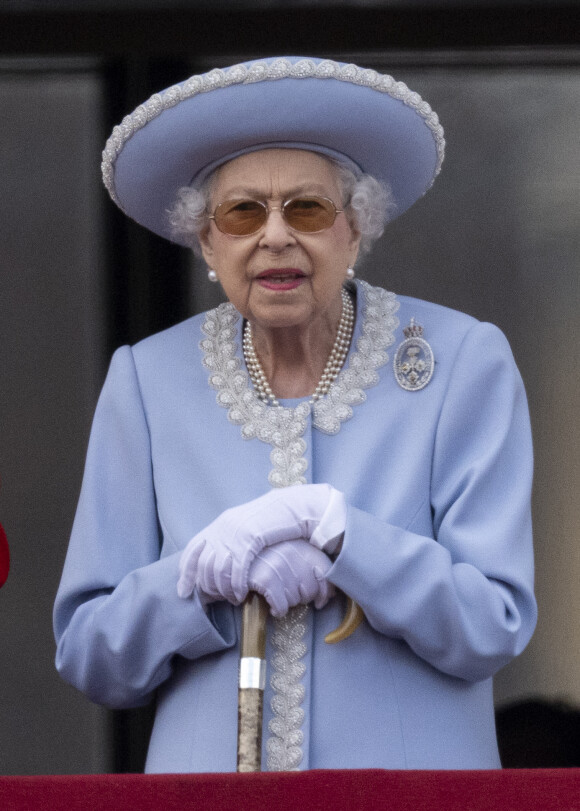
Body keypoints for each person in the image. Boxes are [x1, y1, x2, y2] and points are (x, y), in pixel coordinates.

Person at [54, 56, 536, 772]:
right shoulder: (147, 380)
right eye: (242, 212)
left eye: (307, 209)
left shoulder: (463, 363)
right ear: (208, 243)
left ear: (356, 229)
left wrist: (348, 539)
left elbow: (493, 624)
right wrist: (199, 575)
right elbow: (91, 653)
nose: (275, 236)